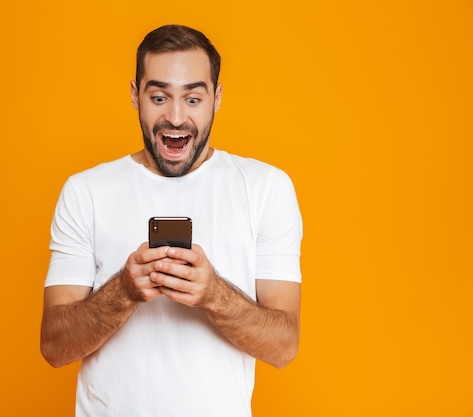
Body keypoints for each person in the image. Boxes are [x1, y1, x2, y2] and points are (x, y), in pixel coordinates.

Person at [40, 24, 303, 417]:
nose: (175, 118)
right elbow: (54, 347)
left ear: (217, 98)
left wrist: (212, 293)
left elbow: (283, 346)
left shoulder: (266, 188)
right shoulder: (85, 192)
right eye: (159, 97)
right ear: (135, 96)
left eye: (193, 98)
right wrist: (124, 291)